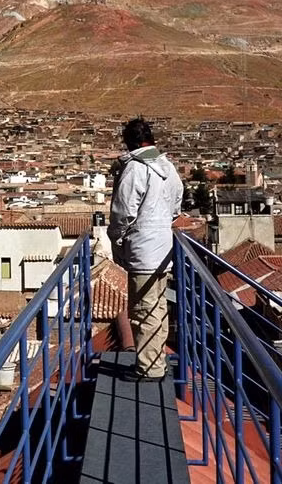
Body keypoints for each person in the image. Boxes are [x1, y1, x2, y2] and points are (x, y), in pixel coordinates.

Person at [108, 117, 184, 381]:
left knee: (143, 309)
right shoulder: (168, 167)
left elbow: (122, 212)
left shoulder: (135, 169)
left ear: (130, 142)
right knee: (157, 307)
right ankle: (155, 360)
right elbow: (176, 205)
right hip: (164, 247)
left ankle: (149, 368)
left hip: (143, 250)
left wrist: (116, 239)